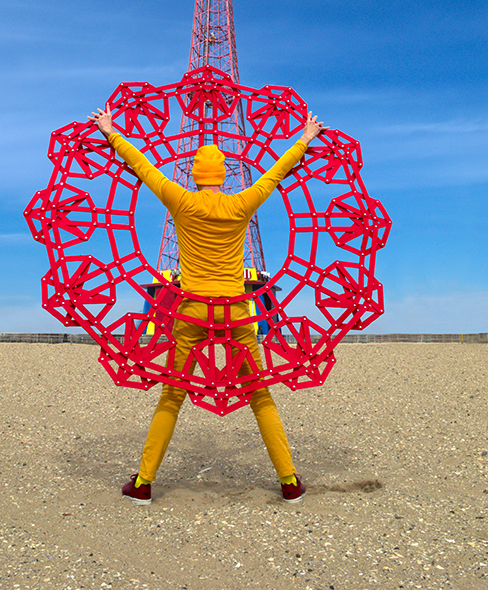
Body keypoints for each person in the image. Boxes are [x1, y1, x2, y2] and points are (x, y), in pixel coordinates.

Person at [89, 103, 328, 505]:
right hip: (236, 311)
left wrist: (111, 131)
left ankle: (143, 483)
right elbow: (276, 173)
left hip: (192, 310)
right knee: (260, 395)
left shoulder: (180, 200)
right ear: (222, 176)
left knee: (172, 396)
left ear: (196, 175)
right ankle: (289, 482)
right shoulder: (241, 204)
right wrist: (304, 138)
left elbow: (143, 167)